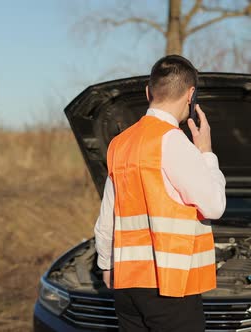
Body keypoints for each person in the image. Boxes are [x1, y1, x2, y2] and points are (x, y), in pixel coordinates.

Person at [93, 55, 226, 332]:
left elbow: (108, 215)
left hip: (127, 284)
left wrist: (107, 264)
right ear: (191, 94)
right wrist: (206, 152)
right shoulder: (173, 141)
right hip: (169, 285)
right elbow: (214, 206)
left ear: (148, 92)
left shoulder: (120, 143)